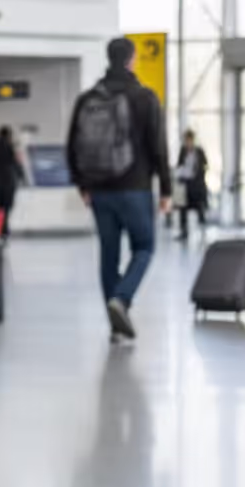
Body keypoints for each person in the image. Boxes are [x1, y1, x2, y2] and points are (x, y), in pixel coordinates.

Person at [68, 37, 172, 343]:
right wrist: (166, 188)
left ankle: (116, 327)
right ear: (131, 59)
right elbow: (159, 147)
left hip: (99, 190)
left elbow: (72, 145)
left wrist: (83, 184)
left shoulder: (88, 100)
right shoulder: (144, 97)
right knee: (144, 247)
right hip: (135, 187)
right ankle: (122, 300)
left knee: (108, 255)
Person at [0, 125, 25, 237]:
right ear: (9, 135)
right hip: (9, 181)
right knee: (7, 207)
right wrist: (22, 178)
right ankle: (4, 228)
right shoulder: (11, 146)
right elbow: (17, 163)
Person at [175, 129, 210, 241]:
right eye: (186, 140)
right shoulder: (183, 151)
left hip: (196, 183)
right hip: (185, 182)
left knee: (200, 206)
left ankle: (203, 228)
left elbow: (205, 165)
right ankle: (184, 231)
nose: (188, 142)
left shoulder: (199, 151)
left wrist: (199, 173)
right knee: (182, 206)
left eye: (189, 140)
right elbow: (179, 165)